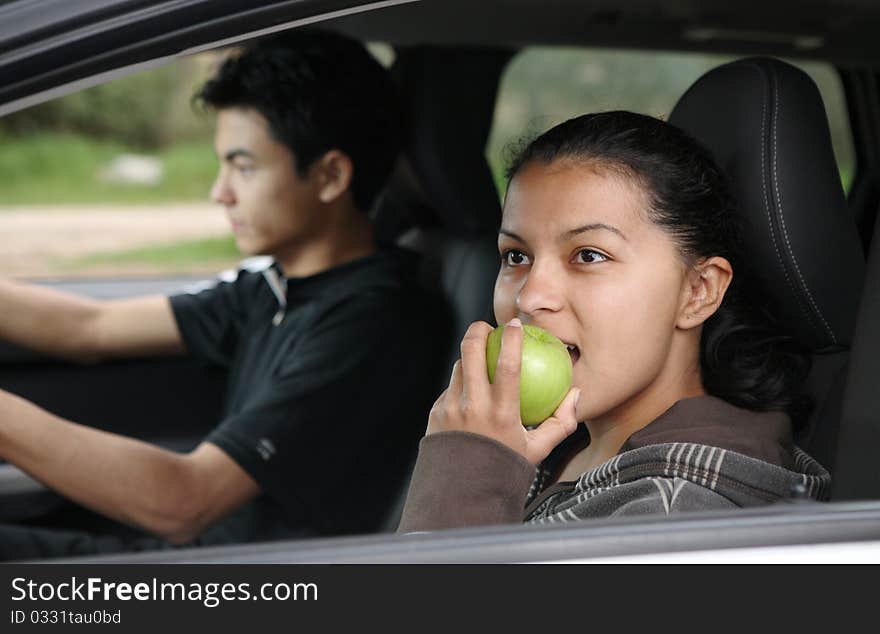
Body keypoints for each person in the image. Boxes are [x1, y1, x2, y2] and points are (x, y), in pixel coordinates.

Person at [0, 29, 447, 559]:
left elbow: (182, 501)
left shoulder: (374, 322)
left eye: (244, 166)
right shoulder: (273, 287)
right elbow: (86, 329)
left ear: (330, 175)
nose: (220, 192)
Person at [398, 111, 830, 532]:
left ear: (698, 291)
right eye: (516, 256)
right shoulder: (550, 444)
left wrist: (466, 469)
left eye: (589, 255)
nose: (530, 297)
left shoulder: (672, 521)